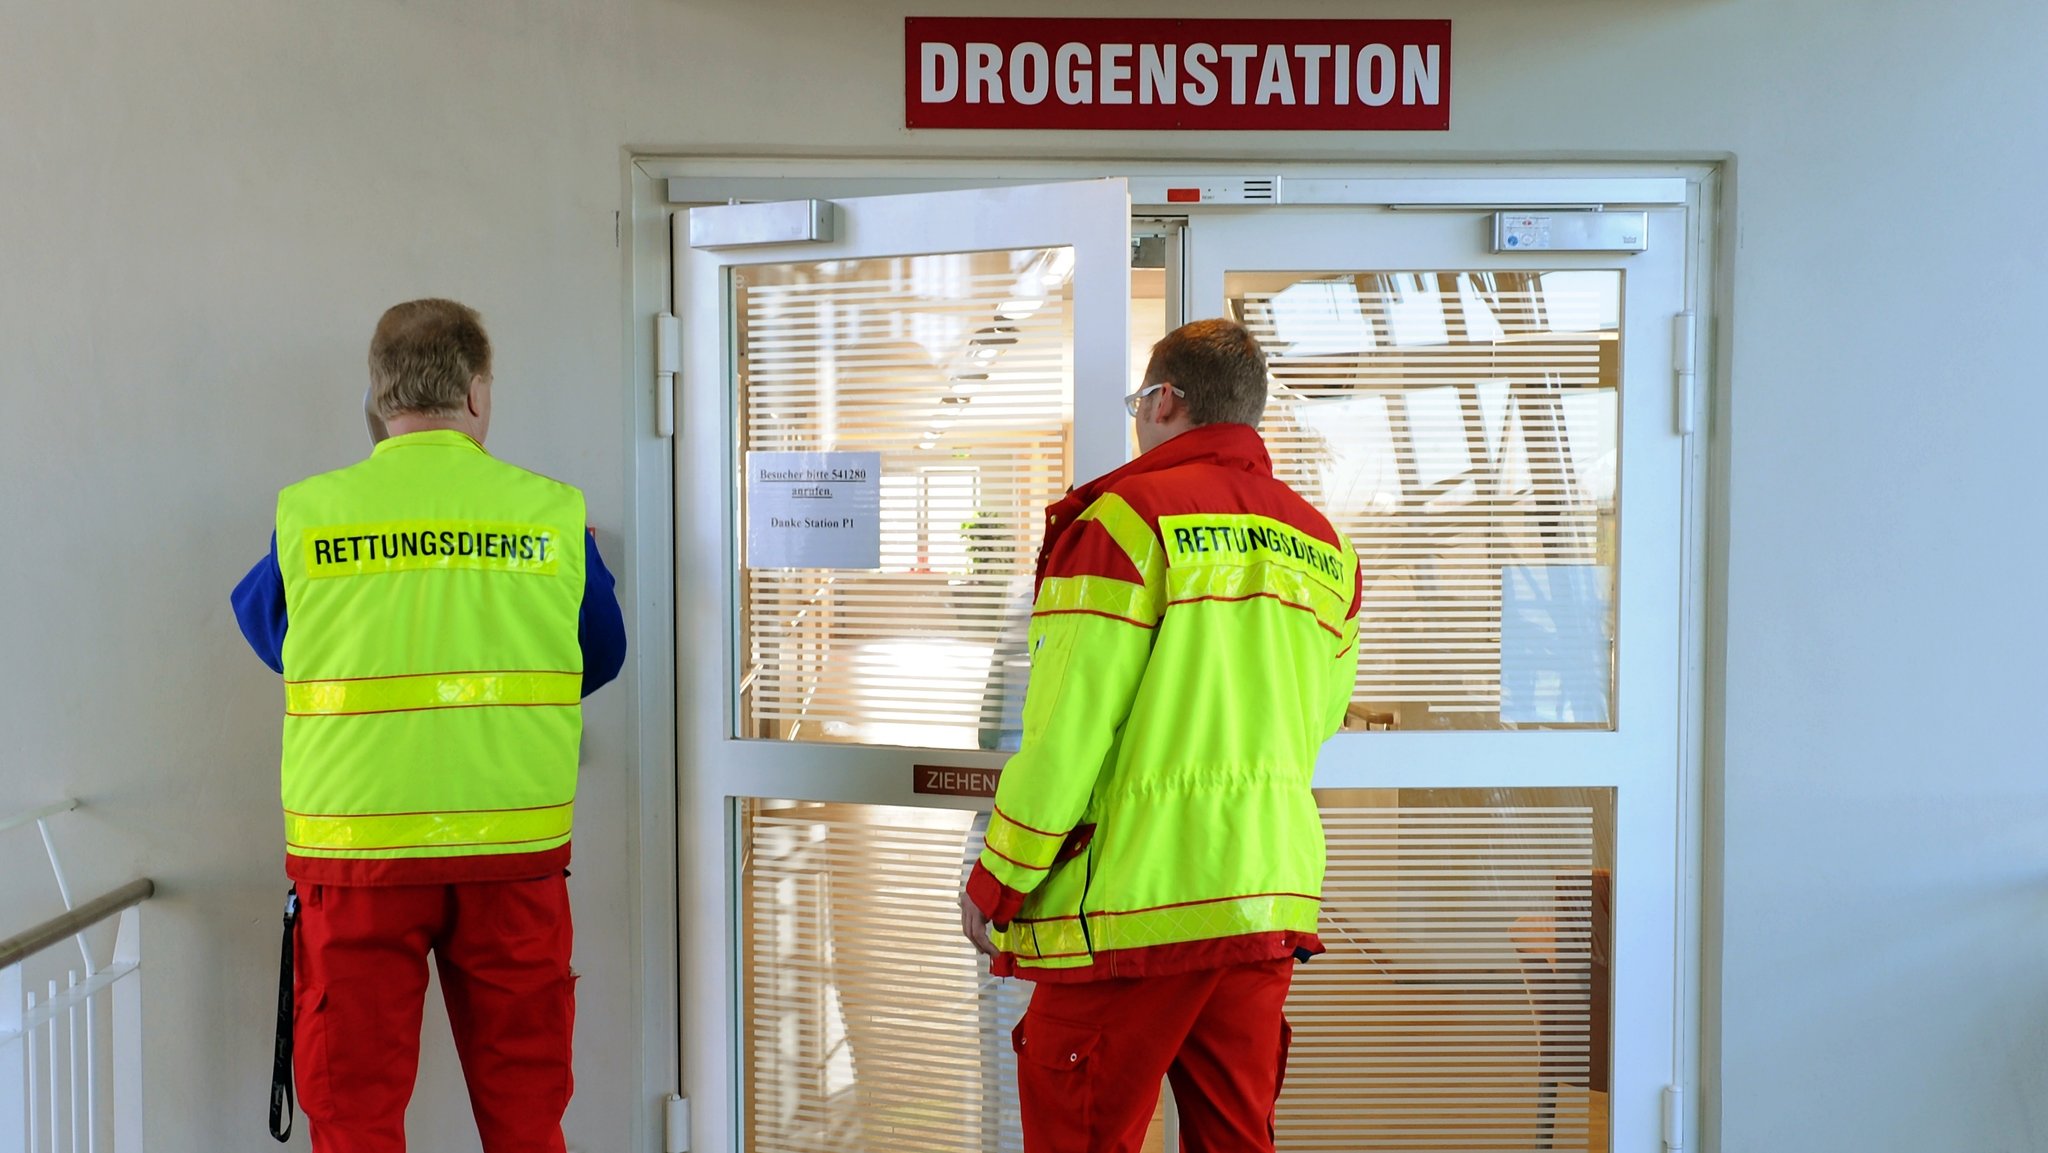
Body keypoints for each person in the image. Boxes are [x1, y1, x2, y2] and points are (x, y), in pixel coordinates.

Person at [230, 299, 626, 1153]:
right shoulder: (551, 517)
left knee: (356, 1120)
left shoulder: (312, 515)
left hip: (357, 863)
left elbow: (274, 640)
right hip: (512, 862)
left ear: (378, 399)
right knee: (525, 1118)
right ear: (478, 394)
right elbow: (600, 657)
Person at [959, 318, 1360, 1152]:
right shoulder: (1325, 549)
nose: (1140, 418)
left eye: (1142, 402)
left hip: (1139, 907)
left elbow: (1068, 733)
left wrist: (998, 878)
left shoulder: (1127, 521)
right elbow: (1314, 723)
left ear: (1167, 399)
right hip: (1261, 895)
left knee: (1080, 1130)